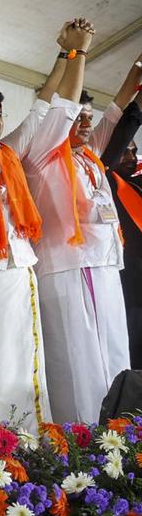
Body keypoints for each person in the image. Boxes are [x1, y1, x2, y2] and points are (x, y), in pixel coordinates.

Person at [0, 20, 96, 430]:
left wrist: (68, 54)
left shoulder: (11, 152)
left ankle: (24, 437)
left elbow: (45, 106)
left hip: (17, 270)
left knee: (22, 357)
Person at [27, 44, 142, 422]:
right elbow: (63, 108)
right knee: (77, 360)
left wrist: (136, 70)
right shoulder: (42, 156)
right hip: (66, 268)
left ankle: (122, 431)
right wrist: (77, 52)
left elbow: (116, 111)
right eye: (78, 117)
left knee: (115, 351)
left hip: (105, 263)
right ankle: (81, 435)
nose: (87, 123)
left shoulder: (90, 155)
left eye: (88, 117)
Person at [102, 91, 142, 368]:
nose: (131, 157)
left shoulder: (137, 185)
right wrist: (137, 107)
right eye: (125, 151)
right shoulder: (104, 181)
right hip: (127, 287)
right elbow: (121, 135)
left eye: (134, 151)